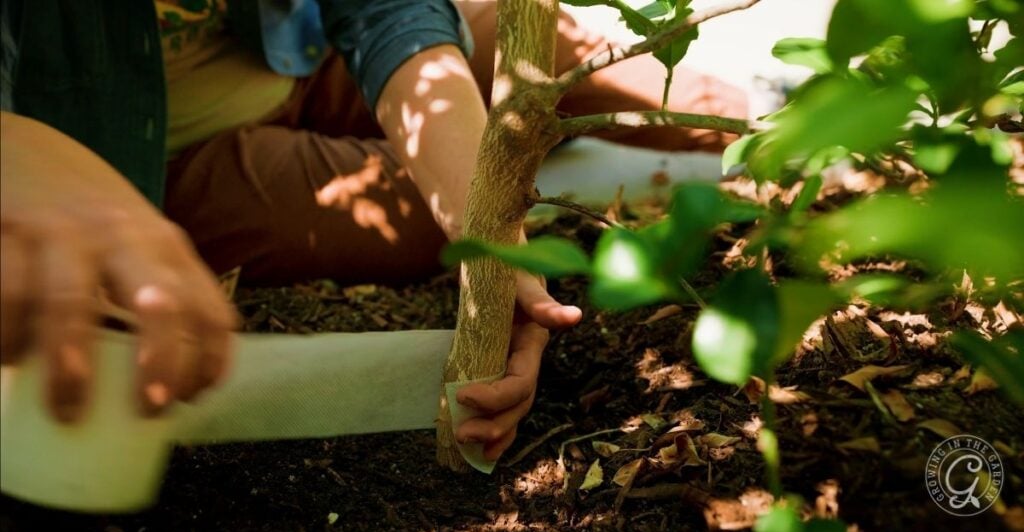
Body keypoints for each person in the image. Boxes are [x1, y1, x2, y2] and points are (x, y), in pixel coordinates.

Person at [0, 0, 746, 461]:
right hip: (163, 153)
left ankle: (766, 121)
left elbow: (390, 12)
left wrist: (487, 224)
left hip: (295, 41)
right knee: (414, 228)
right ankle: (562, 171)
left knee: (521, 37)